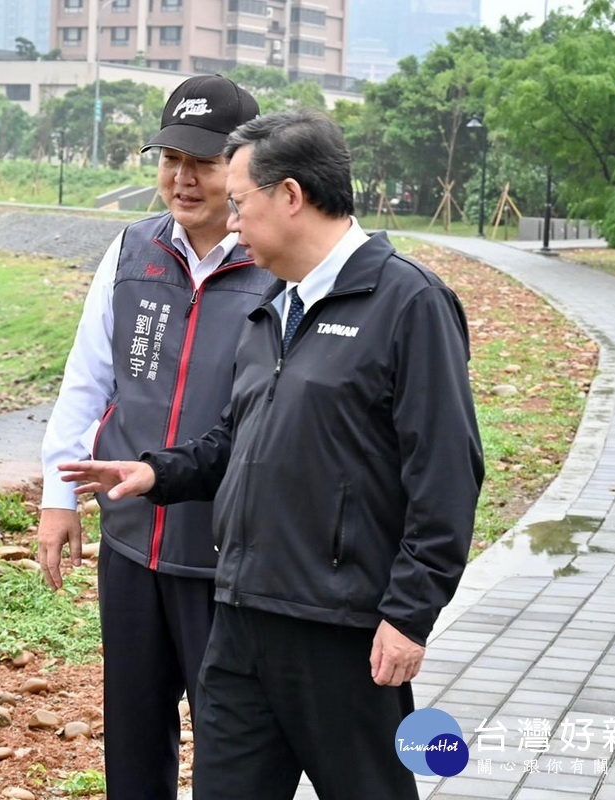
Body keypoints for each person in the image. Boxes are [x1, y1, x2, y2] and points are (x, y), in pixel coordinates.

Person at [58, 109, 484, 800]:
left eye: (239, 205)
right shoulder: (274, 307)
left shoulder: (408, 303)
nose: (230, 224)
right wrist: (157, 472)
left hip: (340, 630)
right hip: (240, 615)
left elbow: (447, 475)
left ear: (291, 196)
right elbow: (236, 440)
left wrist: (410, 614)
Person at [36, 75, 270, 800]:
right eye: (170, 157)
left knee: (231, 738)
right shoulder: (132, 251)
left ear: (242, 169)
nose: (182, 178)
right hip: (133, 541)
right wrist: (59, 495)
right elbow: (87, 382)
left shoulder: (273, 268)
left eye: (201, 162)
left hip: (224, 553)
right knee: (133, 733)